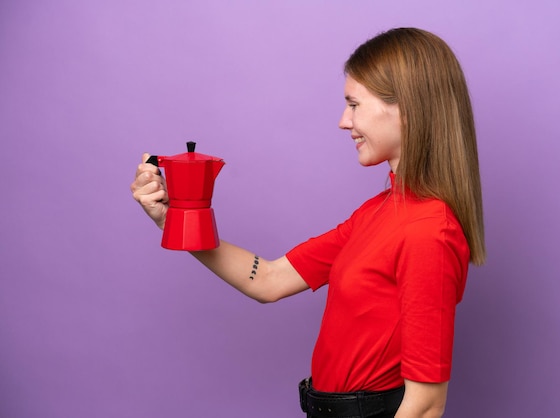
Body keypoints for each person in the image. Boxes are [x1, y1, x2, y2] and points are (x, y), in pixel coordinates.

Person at [131, 27, 485, 418]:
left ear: (407, 108)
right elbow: (268, 279)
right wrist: (174, 220)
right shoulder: (379, 212)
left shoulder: (429, 230)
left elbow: (426, 405)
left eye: (354, 105)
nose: (342, 121)